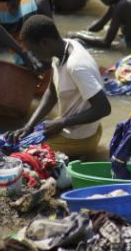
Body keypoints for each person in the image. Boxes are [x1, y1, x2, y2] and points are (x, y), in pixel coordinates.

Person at [7, 16, 111, 159]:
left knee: (17, 154)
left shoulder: (76, 66)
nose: (34, 56)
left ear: (44, 43)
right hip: (80, 128)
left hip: (80, 139)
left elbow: (104, 108)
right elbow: (51, 92)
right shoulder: (63, 49)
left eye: (33, 51)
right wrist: (29, 126)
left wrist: (62, 122)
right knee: (16, 140)